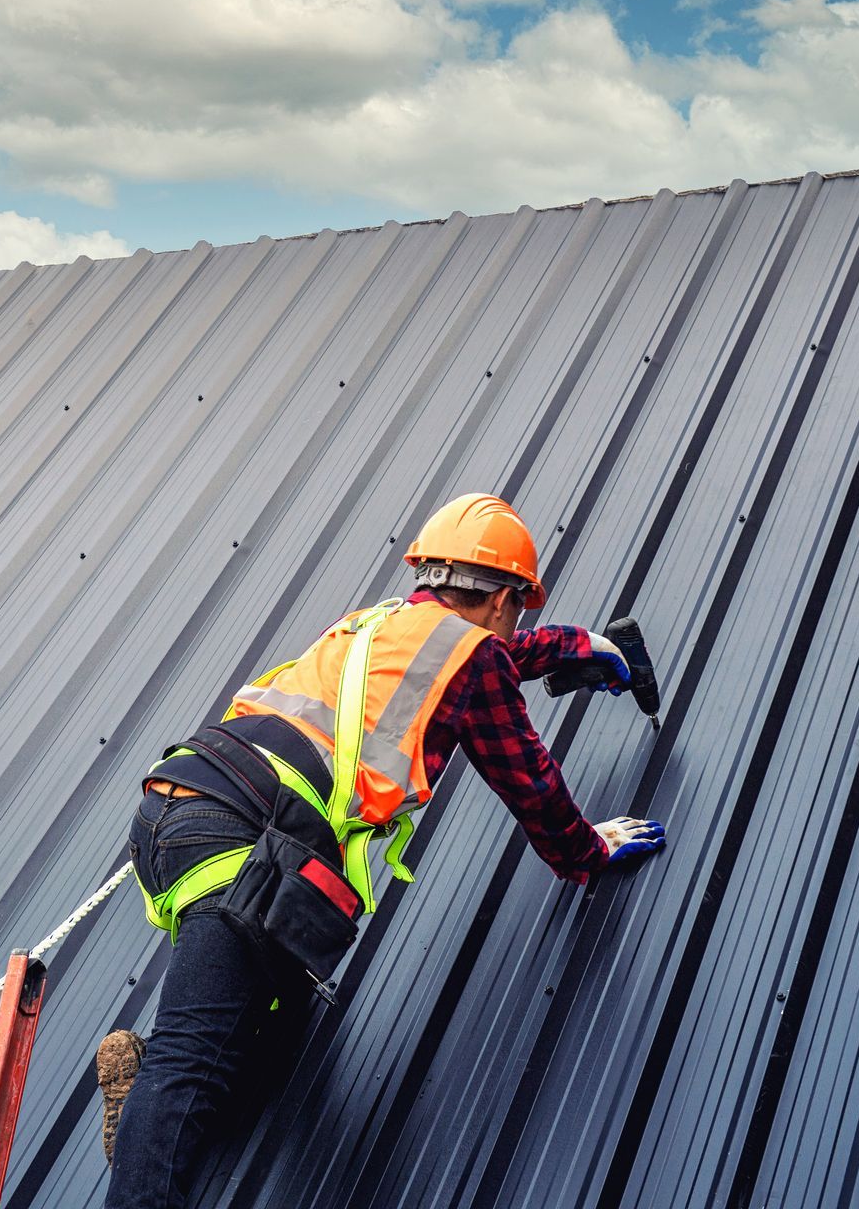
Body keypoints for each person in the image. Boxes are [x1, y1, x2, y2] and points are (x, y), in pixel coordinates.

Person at [97, 493, 667, 1209]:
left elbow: (491, 662)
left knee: (279, 1013)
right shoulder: (468, 652)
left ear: (432, 575)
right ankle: (150, 1126)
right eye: (519, 611)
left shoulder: (377, 625)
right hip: (243, 839)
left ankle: (145, 1120)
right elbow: (532, 786)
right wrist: (589, 852)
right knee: (188, 1057)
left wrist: (589, 650)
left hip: (185, 810)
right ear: (505, 601)